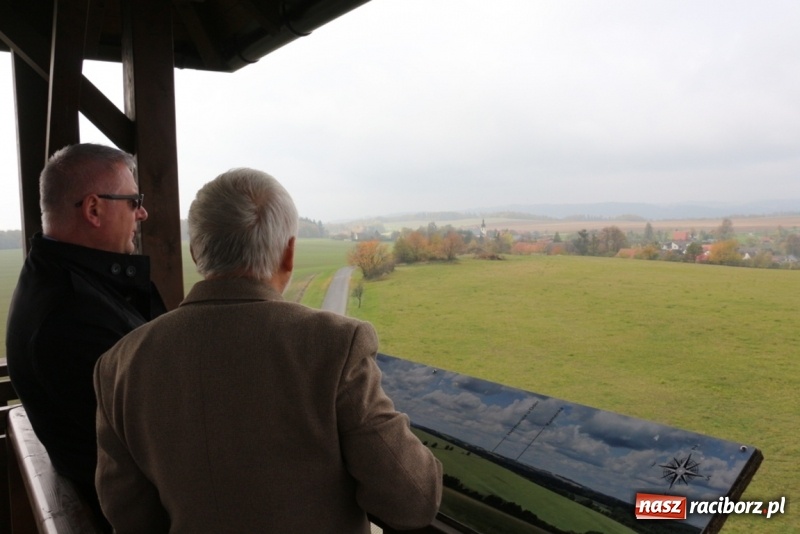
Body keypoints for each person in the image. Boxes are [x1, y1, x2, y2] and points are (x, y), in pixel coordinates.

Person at [94, 168, 443, 533]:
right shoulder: (335, 345)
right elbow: (413, 500)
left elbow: (128, 516)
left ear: (196, 253)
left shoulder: (120, 363)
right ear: (288, 254)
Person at [6, 143, 167, 527]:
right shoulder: (71, 315)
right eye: (133, 201)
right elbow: (157, 434)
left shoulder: (58, 281)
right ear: (94, 209)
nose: (142, 213)